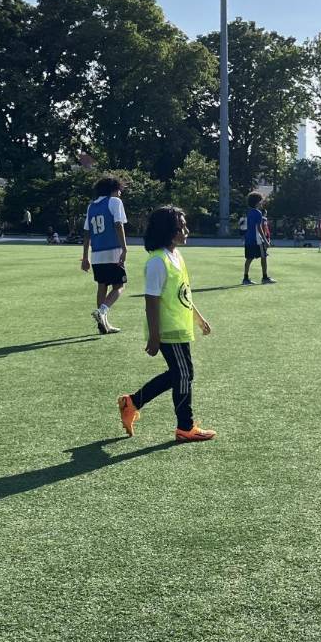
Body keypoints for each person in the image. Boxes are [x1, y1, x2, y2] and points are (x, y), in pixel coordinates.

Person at [117, 206, 215, 443]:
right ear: (169, 231)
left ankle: (132, 402)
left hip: (181, 326)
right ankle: (185, 427)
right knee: (184, 375)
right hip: (167, 329)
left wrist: (198, 318)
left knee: (181, 374)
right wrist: (154, 336)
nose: (186, 230)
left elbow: (184, 294)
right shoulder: (157, 262)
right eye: (182, 226)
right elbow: (151, 302)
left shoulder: (177, 256)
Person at [81, 176, 128, 335]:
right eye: (119, 190)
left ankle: (104, 325)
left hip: (96, 253)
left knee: (102, 285)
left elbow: (86, 233)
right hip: (113, 250)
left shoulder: (91, 207)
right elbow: (118, 224)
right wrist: (124, 248)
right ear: (113, 189)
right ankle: (102, 311)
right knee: (119, 286)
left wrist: (85, 256)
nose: (120, 193)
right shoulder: (114, 202)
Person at [242, 191, 274, 285]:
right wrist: (265, 240)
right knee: (263, 257)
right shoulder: (258, 213)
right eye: (260, 201)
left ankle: (245, 278)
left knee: (249, 258)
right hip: (257, 240)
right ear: (256, 202)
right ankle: (265, 277)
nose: (261, 203)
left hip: (248, 239)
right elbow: (259, 228)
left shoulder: (248, 212)